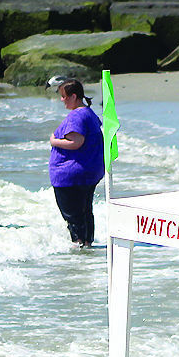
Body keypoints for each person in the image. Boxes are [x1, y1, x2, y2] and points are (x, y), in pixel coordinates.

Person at [48, 79, 105, 248]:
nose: (62, 100)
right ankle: (87, 246)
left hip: (71, 175)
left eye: (64, 96)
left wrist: (54, 141)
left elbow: (76, 142)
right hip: (88, 172)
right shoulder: (89, 113)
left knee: (73, 216)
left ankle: (79, 246)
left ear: (74, 96)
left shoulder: (76, 115)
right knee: (85, 212)